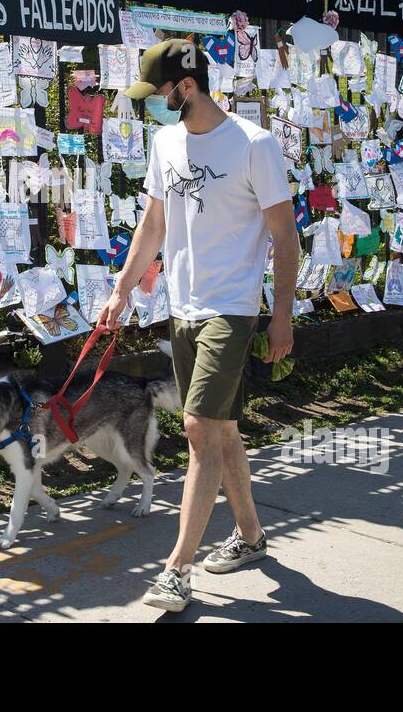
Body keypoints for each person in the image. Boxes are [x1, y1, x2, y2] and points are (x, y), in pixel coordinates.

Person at [97, 37, 298, 613]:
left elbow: (285, 239)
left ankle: (177, 569)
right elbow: (153, 227)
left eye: (157, 92)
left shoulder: (254, 145)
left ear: (186, 87)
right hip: (181, 308)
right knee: (222, 432)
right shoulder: (165, 142)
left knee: (196, 428)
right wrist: (121, 291)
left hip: (231, 309)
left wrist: (279, 316)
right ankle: (253, 537)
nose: (151, 104)